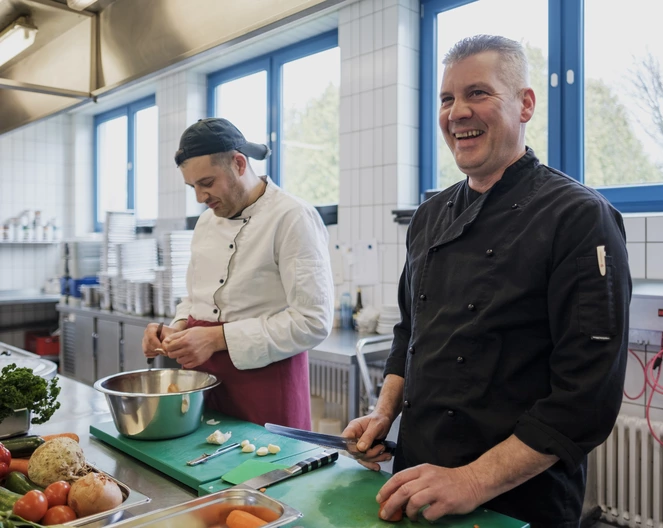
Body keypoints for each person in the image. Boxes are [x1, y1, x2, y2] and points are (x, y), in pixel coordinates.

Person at [342, 35, 631, 528]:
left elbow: (586, 397)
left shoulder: (579, 217)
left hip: (519, 499)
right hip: (418, 479)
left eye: (477, 93)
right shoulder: (429, 215)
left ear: (525, 104)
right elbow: (410, 332)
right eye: (447, 98)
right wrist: (383, 413)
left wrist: (473, 481)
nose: (457, 112)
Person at [142, 117, 334, 430]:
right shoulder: (206, 222)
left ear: (239, 163)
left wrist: (216, 338)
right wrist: (176, 329)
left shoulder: (292, 217)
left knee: (265, 462)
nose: (200, 198)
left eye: (207, 183)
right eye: (193, 187)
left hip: (266, 385)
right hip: (204, 381)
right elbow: (195, 297)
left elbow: (312, 322)